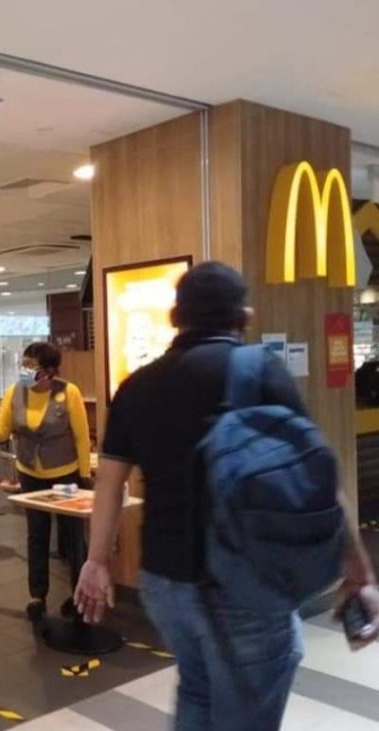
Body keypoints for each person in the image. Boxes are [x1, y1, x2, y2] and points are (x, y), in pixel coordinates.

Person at [73, 262, 379, 730]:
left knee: (198, 685)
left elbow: (109, 485)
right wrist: (357, 570)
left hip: (164, 582)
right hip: (242, 577)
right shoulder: (259, 371)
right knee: (251, 704)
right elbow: (321, 477)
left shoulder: (136, 387)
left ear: (176, 317)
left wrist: (96, 561)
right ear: (246, 316)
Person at [0, 342, 91, 621]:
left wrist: (84, 476)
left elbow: (82, 438)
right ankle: (37, 595)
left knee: (73, 538)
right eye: (24, 364)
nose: (25, 370)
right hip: (30, 473)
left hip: (65, 475)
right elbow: (2, 430)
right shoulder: (14, 392)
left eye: (31, 366)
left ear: (49, 371)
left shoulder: (69, 392)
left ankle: (79, 595)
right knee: (37, 534)